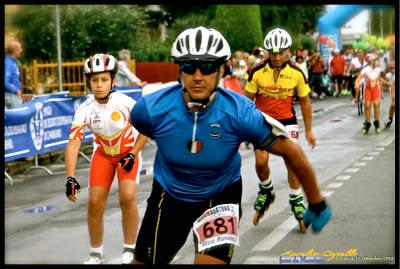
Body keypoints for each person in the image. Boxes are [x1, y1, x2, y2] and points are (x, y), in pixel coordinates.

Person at [129, 26, 331, 265]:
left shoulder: (239, 114)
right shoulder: (149, 109)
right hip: (170, 193)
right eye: (188, 67)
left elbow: (291, 150)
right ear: (179, 71)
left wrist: (316, 201)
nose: (197, 76)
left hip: (220, 195)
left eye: (207, 68)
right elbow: (144, 131)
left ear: (221, 69)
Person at [65, 53, 148, 264]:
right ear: (89, 82)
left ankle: (130, 248)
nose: (99, 85)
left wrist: (133, 153)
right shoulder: (85, 108)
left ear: (112, 80)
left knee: (127, 197)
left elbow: (147, 128)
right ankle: (95, 253)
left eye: (104, 79)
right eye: (94, 80)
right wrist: (70, 177)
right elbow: (74, 143)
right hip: (103, 155)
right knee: (94, 202)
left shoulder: (125, 102)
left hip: (127, 154)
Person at [245, 27, 317, 233]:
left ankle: (296, 199)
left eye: (281, 52)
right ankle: (266, 189)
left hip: (286, 121)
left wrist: (309, 130)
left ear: (288, 51)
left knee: (292, 162)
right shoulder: (256, 71)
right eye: (272, 52)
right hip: (262, 122)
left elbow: (305, 101)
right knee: (260, 162)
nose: (276, 56)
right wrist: (244, 129)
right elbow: (246, 102)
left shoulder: (297, 72)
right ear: (267, 51)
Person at [354, 53, 385, 134]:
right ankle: (367, 123)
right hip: (368, 89)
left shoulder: (378, 70)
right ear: (371, 61)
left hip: (375, 89)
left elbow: (380, 81)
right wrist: (357, 84)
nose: (376, 61)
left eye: (375, 60)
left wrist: (382, 92)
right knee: (367, 105)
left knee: (376, 103)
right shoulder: (365, 70)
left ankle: (376, 122)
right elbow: (358, 78)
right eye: (375, 60)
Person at [5, 40, 23, 109]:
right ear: (15, 51)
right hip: (11, 96)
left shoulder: (11, 62)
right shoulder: (9, 63)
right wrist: (15, 90)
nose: (21, 51)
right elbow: (5, 81)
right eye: (20, 49)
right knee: (18, 118)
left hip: (12, 95)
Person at [384, 61, 395, 129]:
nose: (392, 69)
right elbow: (389, 84)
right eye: (391, 68)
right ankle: (390, 120)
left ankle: (389, 120)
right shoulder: (388, 75)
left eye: (393, 67)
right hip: (392, 91)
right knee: (393, 106)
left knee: (393, 105)